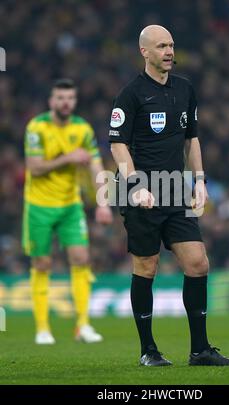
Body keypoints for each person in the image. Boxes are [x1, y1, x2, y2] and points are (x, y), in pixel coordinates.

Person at [109, 25, 229, 366]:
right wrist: (135, 186)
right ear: (145, 52)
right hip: (142, 193)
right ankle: (148, 351)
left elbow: (192, 139)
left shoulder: (184, 89)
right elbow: (118, 144)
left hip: (175, 190)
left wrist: (199, 180)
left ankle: (200, 350)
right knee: (147, 266)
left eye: (171, 44)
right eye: (161, 46)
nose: (169, 51)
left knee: (198, 263)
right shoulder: (131, 94)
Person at [23, 78, 113, 344]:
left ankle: (83, 325)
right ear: (51, 101)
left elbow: (96, 167)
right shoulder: (36, 127)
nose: (65, 102)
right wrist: (69, 158)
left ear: (74, 101)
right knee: (42, 263)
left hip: (70, 206)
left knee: (81, 258)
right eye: (60, 98)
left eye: (70, 98)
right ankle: (42, 328)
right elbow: (35, 167)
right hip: (38, 206)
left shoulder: (82, 129)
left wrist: (103, 203)